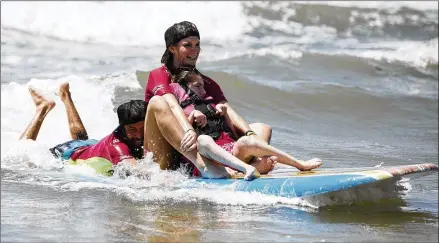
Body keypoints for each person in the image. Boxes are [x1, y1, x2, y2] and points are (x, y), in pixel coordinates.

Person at [144, 21, 276, 175]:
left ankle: (240, 164)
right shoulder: (159, 74)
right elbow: (173, 106)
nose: (195, 50)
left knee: (261, 128)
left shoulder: (205, 81)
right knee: (157, 102)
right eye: (187, 45)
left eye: (197, 44)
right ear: (172, 48)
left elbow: (231, 112)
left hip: (203, 144)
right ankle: (203, 166)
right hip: (168, 151)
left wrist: (252, 136)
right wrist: (188, 129)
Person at [169, 68, 323, 174]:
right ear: (184, 89)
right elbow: (184, 139)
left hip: (230, 148)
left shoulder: (210, 104)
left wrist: (225, 114)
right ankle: (299, 164)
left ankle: (253, 163)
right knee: (217, 140)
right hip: (212, 157)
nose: (203, 90)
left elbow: (229, 131)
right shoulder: (181, 109)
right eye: (197, 87)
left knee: (263, 128)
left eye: (203, 86)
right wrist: (191, 117)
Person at [19, 82, 148, 175]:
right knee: (22, 156)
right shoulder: (117, 145)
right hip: (68, 153)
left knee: (82, 139)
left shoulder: (134, 131)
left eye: (143, 129)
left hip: (93, 147)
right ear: (122, 127)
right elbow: (136, 174)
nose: (139, 135)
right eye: (132, 130)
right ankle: (42, 108)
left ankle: (66, 96)